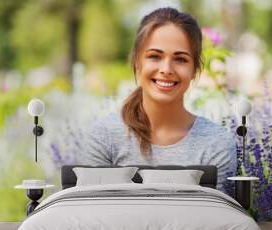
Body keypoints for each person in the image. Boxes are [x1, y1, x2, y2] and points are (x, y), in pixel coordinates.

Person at [78, 7, 237, 192]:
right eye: (155, 56)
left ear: (194, 69)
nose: (166, 69)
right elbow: (92, 215)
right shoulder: (103, 138)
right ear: (137, 62)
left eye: (180, 59)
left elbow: (215, 217)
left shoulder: (216, 143)